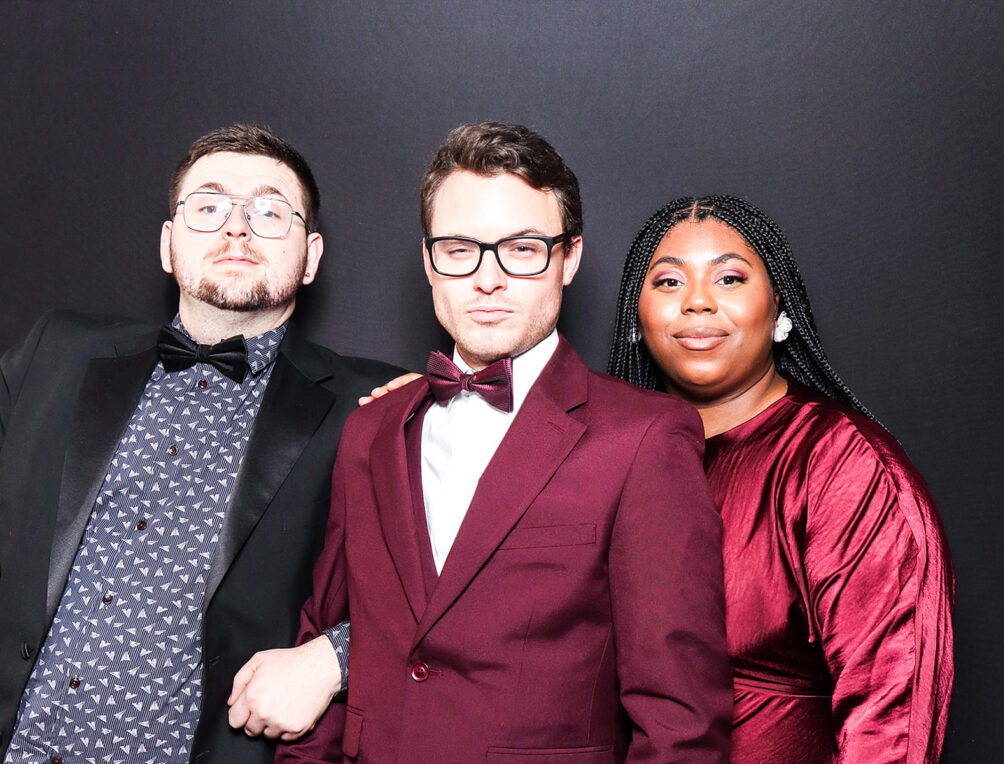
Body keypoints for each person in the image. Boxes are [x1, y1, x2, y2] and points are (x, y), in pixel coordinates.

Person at [244, 122, 732, 762]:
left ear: (569, 258)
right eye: (460, 248)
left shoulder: (643, 438)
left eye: (522, 249)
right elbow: (325, 661)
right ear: (429, 261)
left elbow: (681, 726)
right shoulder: (369, 432)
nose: (488, 278)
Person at [0, 124, 403, 764]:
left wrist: (336, 659)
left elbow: (470, 584)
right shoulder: (55, 352)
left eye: (270, 211)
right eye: (208, 206)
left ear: (312, 255)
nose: (236, 228)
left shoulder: (379, 403)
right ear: (168, 243)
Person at [607, 195, 955, 763]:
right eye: (669, 282)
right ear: (636, 320)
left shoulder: (842, 465)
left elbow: (891, 721)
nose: (697, 302)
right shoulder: (606, 459)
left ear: (779, 309)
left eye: (729, 278)